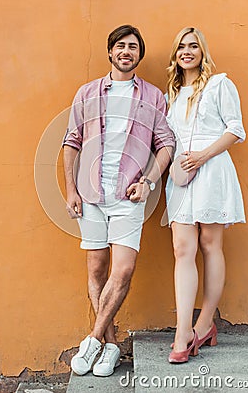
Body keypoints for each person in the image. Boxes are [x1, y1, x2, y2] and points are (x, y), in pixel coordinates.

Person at [63, 24, 175, 376]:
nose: (127, 51)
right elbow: (72, 141)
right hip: (91, 194)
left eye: (133, 47)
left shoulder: (154, 97)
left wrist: (149, 182)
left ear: (139, 55)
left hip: (129, 195)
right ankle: (111, 346)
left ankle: (93, 340)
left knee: (123, 269)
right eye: (121, 46)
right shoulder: (87, 93)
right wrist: (70, 189)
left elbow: (166, 143)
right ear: (110, 52)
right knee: (97, 269)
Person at [165, 27, 246, 363]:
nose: (187, 51)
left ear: (202, 52)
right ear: (175, 55)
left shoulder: (219, 84)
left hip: (211, 171)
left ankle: (205, 323)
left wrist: (202, 156)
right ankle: (183, 330)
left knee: (211, 245)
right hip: (182, 177)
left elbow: (235, 129)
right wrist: (172, 167)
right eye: (181, 47)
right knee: (182, 248)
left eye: (193, 46)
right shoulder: (170, 94)